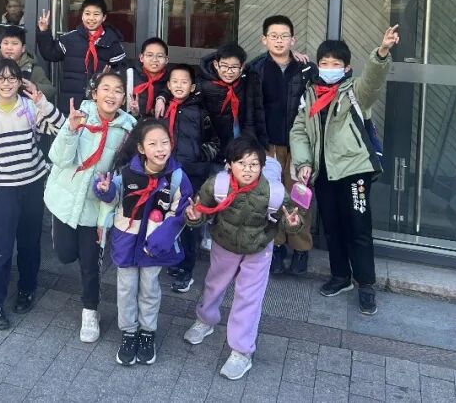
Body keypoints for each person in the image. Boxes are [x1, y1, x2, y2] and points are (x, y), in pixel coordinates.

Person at [291, 26, 399, 317]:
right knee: (332, 226)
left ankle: (366, 285)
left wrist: (382, 52)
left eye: (335, 64)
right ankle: (340, 276)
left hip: (354, 172)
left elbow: (373, 81)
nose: (329, 68)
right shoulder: (310, 94)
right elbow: (299, 131)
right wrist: (303, 162)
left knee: (358, 228)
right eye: (324, 63)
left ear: (346, 68)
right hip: (324, 172)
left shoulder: (355, 92)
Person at [183, 136, 303, 381]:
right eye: (241, 163)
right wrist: (194, 217)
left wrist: (293, 224)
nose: (248, 170)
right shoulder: (217, 184)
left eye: (254, 164)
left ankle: (241, 351)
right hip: (224, 243)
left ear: (261, 166)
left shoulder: (274, 192)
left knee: (249, 297)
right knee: (214, 285)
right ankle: (205, 320)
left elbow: (287, 217)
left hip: (258, 249)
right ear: (229, 164)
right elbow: (202, 209)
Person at [0, 58, 65, 330]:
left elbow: (62, 129)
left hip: (32, 184)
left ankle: (26, 290)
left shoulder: (30, 108)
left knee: (30, 243)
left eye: (12, 78)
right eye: (1, 78)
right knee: (1, 248)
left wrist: (42, 102)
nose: (7, 83)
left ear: (20, 81)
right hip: (3, 189)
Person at [44, 71, 135, 343]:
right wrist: (70, 130)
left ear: (123, 98)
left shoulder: (128, 131)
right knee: (64, 255)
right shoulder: (80, 118)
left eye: (117, 90)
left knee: (90, 264)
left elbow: (125, 172)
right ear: (94, 93)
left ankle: (90, 311)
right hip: (65, 200)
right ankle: (61, 238)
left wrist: (112, 188)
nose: (111, 95)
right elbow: (58, 158)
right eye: (105, 88)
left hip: (95, 208)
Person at [93, 119, 190, 367]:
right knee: (125, 289)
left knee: (150, 289)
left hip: (154, 245)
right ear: (141, 148)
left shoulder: (177, 177)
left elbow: (180, 212)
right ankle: (128, 332)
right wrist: (104, 189)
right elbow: (114, 196)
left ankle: (148, 332)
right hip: (126, 241)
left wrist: (160, 241)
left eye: (165, 142)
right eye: (153, 144)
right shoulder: (127, 173)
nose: (160, 149)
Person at [246, 15, 315, 276]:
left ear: (293, 40)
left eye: (284, 36)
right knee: (272, 197)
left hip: (299, 145)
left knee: (299, 195)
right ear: (264, 39)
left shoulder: (306, 69)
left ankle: (301, 249)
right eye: (273, 36)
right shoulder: (255, 69)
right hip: (268, 145)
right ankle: (275, 247)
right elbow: (250, 110)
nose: (279, 41)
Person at [159, 64, 219, 293]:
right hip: (165, 172)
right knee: (166, 215)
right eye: (174, 81)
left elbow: (214, 141)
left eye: (184, 82)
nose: (179, 85)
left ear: (192, 87)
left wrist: (199, 157)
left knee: (188, 220)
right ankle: (172, 259)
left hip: (191, 174)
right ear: (168, 85)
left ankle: (186, 269)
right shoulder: (163, 108)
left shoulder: (201, 111)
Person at [36, 0, 128, 114]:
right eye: (87, 13)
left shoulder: (112, 43)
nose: (91, 18)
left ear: (104, 17)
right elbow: (50, 54)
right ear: (82, 15)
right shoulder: (70, 39)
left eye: (96, 14)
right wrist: (44, 31)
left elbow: (121, 74)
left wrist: (106, 76)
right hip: (71, 102)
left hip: (100, 104)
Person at [197, 42, 258, 152]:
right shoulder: (202, 83)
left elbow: (250, 115)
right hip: (211, 142)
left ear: (242, 67)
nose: (229, 72)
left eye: (234, 67)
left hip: (237, 137)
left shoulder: (247, 81)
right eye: (224, 66)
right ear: (216, 65)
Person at [0, 25, 55, 103]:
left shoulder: (31, 68)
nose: (9, 48)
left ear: (23, 48)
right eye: (5, 43)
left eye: (14, 44)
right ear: (0, 45)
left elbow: (51, 90)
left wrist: (35, 87)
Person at [128, 37, 170, 117]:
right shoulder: (130, 75)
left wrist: (162, 98)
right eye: (150, 55)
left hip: (159, 123)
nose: (154, 60)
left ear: (166, 60)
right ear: (141, 58)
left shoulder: (171, 79)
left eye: (160, 56)